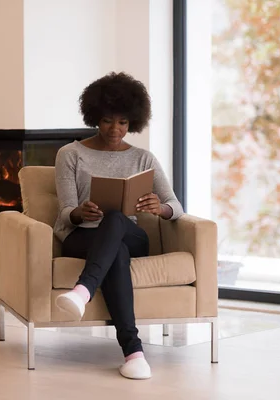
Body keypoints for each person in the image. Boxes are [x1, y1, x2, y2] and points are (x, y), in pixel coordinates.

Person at [53, 72, 184, 380]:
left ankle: (83, 291)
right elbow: (64, 213)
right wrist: (80, 213)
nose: (115, 129)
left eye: (123, 122)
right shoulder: (70, 154)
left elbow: (176, 207)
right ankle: (134, 353)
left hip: (130, 234)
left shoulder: (143, 158)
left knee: (115, 220)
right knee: (117, 253)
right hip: (82, 236)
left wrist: (160, 208)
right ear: (95, 117)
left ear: (133, 122)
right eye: (108, 120)